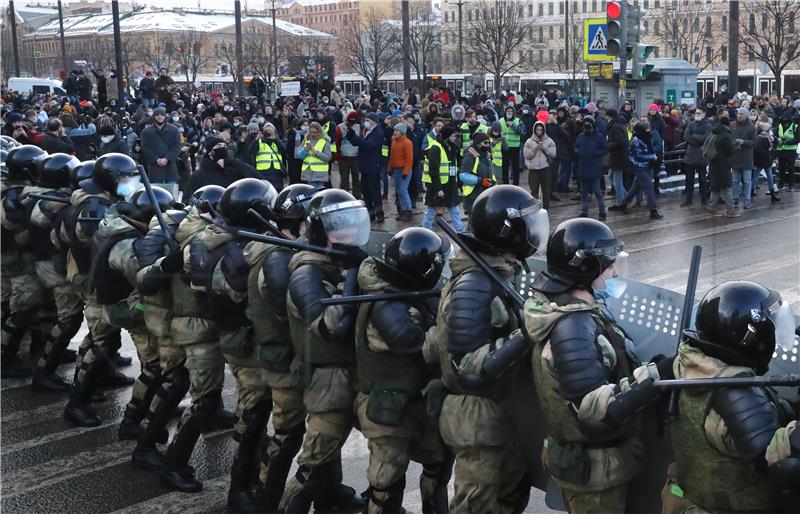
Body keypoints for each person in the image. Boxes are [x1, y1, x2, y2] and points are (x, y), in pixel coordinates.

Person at [525, 218, 675, 514]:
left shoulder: (574, 310)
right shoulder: (574, 329)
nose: (615, 272)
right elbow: (593, 412)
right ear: (585, 269)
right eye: (608, 266)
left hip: (597, 464)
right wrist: (657, 376)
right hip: (593, 470)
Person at [432, 185, 548, 513]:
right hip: (474, 415)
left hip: (498, 409)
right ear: (507, 231)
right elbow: (467, 369)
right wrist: (526, 333)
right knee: (474, 504)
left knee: (512, 486)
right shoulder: (473, 285)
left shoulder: (496, 273)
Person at [662, 280, 799, 514]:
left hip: (690, 500)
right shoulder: (736, 392)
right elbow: (776, 462)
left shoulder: (690, 365)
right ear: (749, 337)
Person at [280, 189, 369, 514]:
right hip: (326, 380)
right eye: (339, 227)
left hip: (347, 373)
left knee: (331, 450)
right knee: (314, 461)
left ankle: (331, 498)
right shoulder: (306, 273)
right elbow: (331, 327)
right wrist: (352, 277)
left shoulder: (332, 262)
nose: (349, 233)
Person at [355, 228, 452, 513]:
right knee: (386, 482)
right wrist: (452, 321)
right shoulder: (387, 307)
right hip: (388, 411)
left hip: (421, 403)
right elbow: (419, 344)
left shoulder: (412, 292)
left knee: (437, 469)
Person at [238, 184, 316, 511]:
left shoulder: (284, 251)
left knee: (322, 429)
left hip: (292, 355)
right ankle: (265, 498)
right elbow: (294, 314)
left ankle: (329, 493)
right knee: (288, 434)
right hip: (283, 358)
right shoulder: (279, 260)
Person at [62, 153, 142, 427]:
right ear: (112, 179)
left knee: (104, 339)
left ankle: (101, 378)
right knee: (100, 341)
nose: (131, 182)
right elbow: (99, 243)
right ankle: (77, 402)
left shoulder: (93, 200)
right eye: (126, 177)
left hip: (92, 276)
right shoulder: (95, 208)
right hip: (96, 280)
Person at [27, 154, 85, 391]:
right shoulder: (53, 203)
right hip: (55, 267)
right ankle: (44, 371)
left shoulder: (48, 199)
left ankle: (51, 353)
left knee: (55, 314)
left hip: (48, 264)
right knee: (68, 319)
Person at [1, 145, 49, 378]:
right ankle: (5, 358)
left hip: (17, 257)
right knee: (22, 307)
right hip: (18, 259)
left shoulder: (14, 190)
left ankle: (39, 347)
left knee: (30, 305)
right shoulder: (13, 195)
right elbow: (15, 223)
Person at [611, 121, 663, 219]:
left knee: (636, 187)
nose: (649, 132)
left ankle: (623, 204)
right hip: (638, 166)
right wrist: (652, 157)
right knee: (649, 186)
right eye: (646, 130)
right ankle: (653, 211)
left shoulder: (646, 137)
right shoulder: (636, 140)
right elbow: (639, 156)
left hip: (647, 165)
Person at [183, 137, 261, 199]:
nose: (222, 148)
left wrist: (232, 162)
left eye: (225, 146)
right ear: (210, 152)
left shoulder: (232, 170)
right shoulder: (199, 174)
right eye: (219, 146)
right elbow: (188, 198)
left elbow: (257, 178)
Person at [420, 126, 464, 232]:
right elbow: (433, 171)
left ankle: (460, 230)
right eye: (454, 136)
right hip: (438, 184)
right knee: (432, 209)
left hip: (450, 183)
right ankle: (425, 230)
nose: (455, 138)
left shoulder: (452, 147)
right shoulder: (436, 148)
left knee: (454, 208)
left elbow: (454, 166)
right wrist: (438, 189)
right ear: (447, 136)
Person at [346, 112, 385, 223]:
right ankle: (370, 213)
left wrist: (356, 138)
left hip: (373, 166)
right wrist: (351, 135)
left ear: (374, 121)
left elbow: (368, 145)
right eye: (365, 120)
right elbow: (360, 143)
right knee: (366, 191)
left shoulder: (378, 132)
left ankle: (379, 213)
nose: (365, 122)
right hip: (365, 165)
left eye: (368, 120)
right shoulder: (367, 131)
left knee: (374, 191)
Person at [574, 116, 609, 220]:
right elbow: (576, 147)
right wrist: (578, 152)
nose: (587, 127)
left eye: (588, 125)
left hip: (594, 168)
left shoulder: (599, 137)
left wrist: (595, 153)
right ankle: (584, 211)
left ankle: (602, 212)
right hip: (583, 168)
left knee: (597, 191)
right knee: (584, 192)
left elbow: (605, 150)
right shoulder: (580, 136)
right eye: (585, 125)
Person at [707, 115, 739, 218]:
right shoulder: (726, 135)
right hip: (723, 164)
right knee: (728, 188)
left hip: (713, 163)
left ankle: (712, 209)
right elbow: (731, 150)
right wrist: (736, 146)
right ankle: (730, 211)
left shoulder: (714, 132)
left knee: (715, 188)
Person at [140, 107, 181, 185]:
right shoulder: (147, 131)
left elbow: (177, 146)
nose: (160, 117)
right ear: (154, 116)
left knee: (171, 191)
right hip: (154, 165)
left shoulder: (174, 130)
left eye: (162, 115)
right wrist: (156, 159)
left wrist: (167, 159)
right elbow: (144, 147)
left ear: (165, 116)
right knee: (156, 191)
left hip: (170, 164)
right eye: (157, 115)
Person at [523, 121, 557, 210]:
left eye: (541, 130)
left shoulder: (549, 141)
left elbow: (554, 154)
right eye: (537, 130)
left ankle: (546, 209)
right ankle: (535, 209)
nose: (539, 132)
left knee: (546, 190)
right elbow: (527, 156)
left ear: (544, 130)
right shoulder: (529, 142)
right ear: (534, 130)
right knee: (534, 191)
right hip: (533, 169)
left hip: (545, 168)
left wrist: (544, 148)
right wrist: (535, 149)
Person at [460, 132, 496, 214]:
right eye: (485, 142)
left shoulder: (487, 155)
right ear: (478, 144)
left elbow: (490, 172)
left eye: (489, 142)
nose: (488, 145)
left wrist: (494, 184)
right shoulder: (470, 156)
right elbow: (463, 175)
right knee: (473, 223)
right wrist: (480, 180)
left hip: (485, 194)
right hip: (472, 196)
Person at [682, 109, 712, 207]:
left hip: (701, 156)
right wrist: (697, 142)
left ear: (704, 114)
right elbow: (686, 136)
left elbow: (706, 138)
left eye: (699, 113)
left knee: (702, 180)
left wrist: (694, 136)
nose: (697, 115)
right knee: (689, 179)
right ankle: (688, 199)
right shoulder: (691, 124)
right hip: (690, 155)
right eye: (696, 113)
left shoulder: (708, 125)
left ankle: (703, 200)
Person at [730, 107, 758, 209]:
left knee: (747, 181)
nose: (739, 116)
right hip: (735, 157)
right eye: (738, 114)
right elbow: (729, 138)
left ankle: (747, 200)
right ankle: (735, 199)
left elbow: (755, 142)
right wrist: (733, 144)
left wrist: (744, 142)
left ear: (746, 116)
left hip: (746, 158)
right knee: (734, 180)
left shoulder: (751, 127)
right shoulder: (732, 125)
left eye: (741, 114)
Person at [387, 122, 414, 221]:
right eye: (394, 130)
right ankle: (403, 211)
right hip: (396, 170)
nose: (395, 132)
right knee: (399, 191)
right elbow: (392, 157)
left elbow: (409, 159)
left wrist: (406, 172)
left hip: (403, 170)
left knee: (403, 190)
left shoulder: (407, 143)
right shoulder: (394, 141)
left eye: (397, 130)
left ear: (402, 132)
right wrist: (389, 168)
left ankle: (408, 211)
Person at [249, 122, 287, 192]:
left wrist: (275, 139)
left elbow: (284, 150)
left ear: (274, 132)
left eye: (270, 131)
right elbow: (250, 151)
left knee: (277, 191)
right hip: (263, 171)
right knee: (265, 191)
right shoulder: (259, 141)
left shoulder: (277, 141)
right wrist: (256, 139)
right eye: (267, 131)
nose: (269, 133)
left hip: (276, 172)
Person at [606, 109, 630, 209]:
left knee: (617, 180)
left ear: (610, 116)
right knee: (611, 176)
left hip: (618, 156)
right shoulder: (618, 125)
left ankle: (620, 202)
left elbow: (620, 142)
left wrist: (607, 145)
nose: (606, 117)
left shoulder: (615, 126)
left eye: (607, 115)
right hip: (618, 156)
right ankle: (626, 197)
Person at [299, 121, 332, 189]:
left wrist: (315, 151)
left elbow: (328, 158)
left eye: (315, 132)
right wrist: (305, 150)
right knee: (311, 194)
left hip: (320, 174)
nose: (313, 134)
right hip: (309, 173)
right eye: (311, 132)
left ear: (319, 131)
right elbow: (299, 155)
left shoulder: (325, 141)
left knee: (317, 194)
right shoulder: (306, 140)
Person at [337, 111, 361, 199]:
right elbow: (336, 142)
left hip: (355, 157)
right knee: (344, 179)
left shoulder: (359, 127)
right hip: (343, 158)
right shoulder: (340, 127)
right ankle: (344, 197)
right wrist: (337, 155)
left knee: (356, 178)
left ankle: (357, 196)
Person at [500, 105, 525, 185]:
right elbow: (495, 131)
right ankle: (505, 184)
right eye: (508, 111)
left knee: (515, 167)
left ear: (513, 113)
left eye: (511, 111)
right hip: (504, 147)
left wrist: (513, 125)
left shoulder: (518, 120)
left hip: (515, 147)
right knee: (505, 167)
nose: (509, 113)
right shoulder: (501, 120)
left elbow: (523, 132)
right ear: (505, 112)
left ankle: (516, 184)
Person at [773, 112, 798, 192]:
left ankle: (791, 185)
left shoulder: (795, 127)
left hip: (791, 150)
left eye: (786, 120)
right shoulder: (779, 126)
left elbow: (797, 139)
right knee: (781, 168)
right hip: (781, 150)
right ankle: (781, 184)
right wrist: (778, 141)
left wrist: (787, 142)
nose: (785, 122)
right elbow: (775, 137)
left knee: (791, 169)